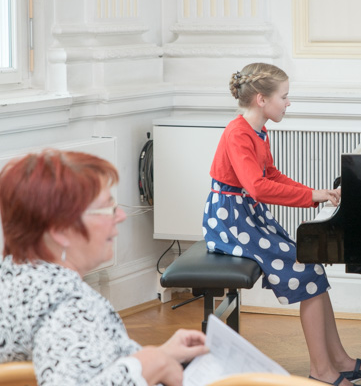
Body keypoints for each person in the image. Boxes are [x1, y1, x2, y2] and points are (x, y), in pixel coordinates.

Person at [202, 63, 361, 386]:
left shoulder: (258, 131)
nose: (288, 102)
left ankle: (338, 360)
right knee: (308, 269)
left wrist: (316, 193)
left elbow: (271, 176)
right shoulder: (237, 134)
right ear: (261, 99)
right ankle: (322, 371)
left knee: (312, 264)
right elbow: (258, 187)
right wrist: (311, 196)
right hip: (230, 222)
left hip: (246, 215)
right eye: (284, 96)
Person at [0, 150, 208, 386]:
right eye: (108, 208)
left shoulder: (14, 279)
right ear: (60, 230)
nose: (121, 216)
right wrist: (153, 363)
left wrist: (164, 354)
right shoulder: (71, 306)